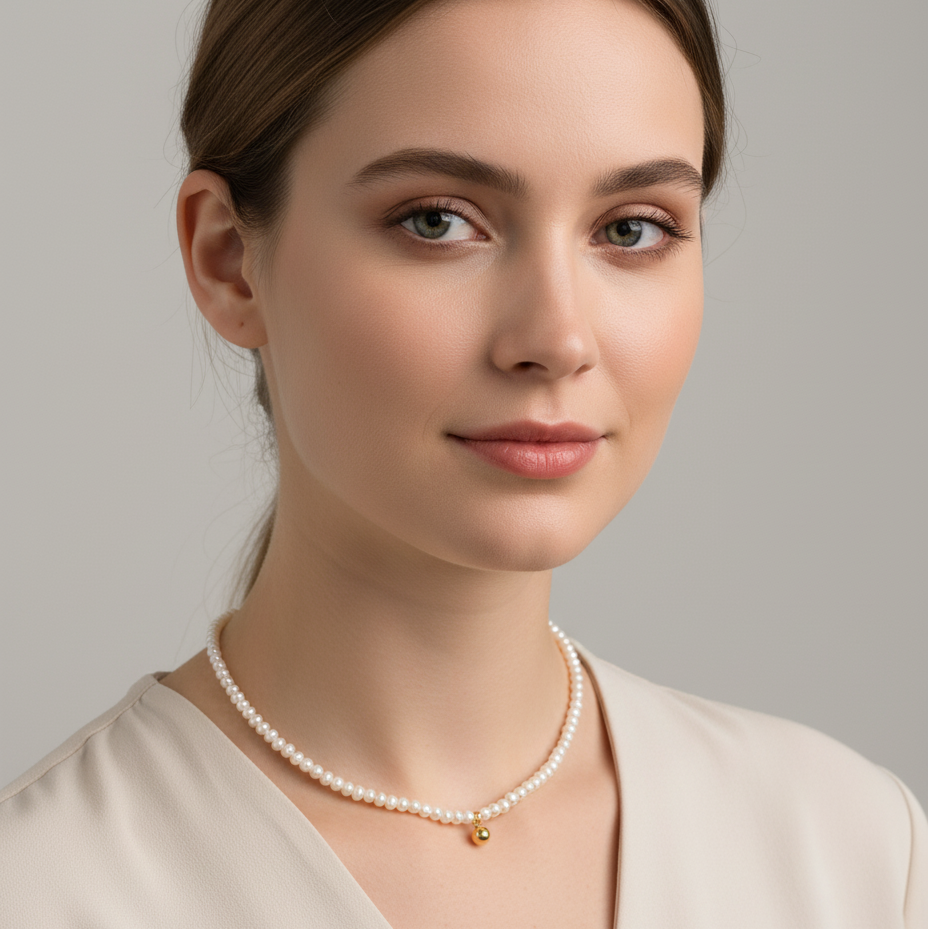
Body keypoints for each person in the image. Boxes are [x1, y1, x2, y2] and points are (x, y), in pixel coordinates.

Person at [1, 0, 924, 925]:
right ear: (229, 260)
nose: (557, 338)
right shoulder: (45, 888)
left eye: (631, 228)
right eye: (438, 220)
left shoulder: (851, 852)